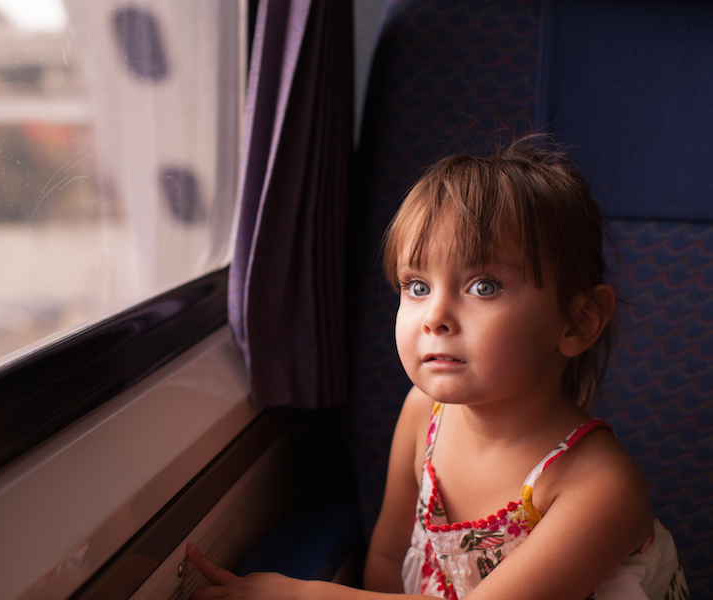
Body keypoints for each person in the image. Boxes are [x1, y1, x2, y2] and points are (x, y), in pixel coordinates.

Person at [186, 138, 689, 599]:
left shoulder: (601, 486)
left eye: (484, 286)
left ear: (577, 321)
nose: (435, 317)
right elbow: (385, 560)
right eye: (417, 286)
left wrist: (299, 594)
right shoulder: (424, 413)